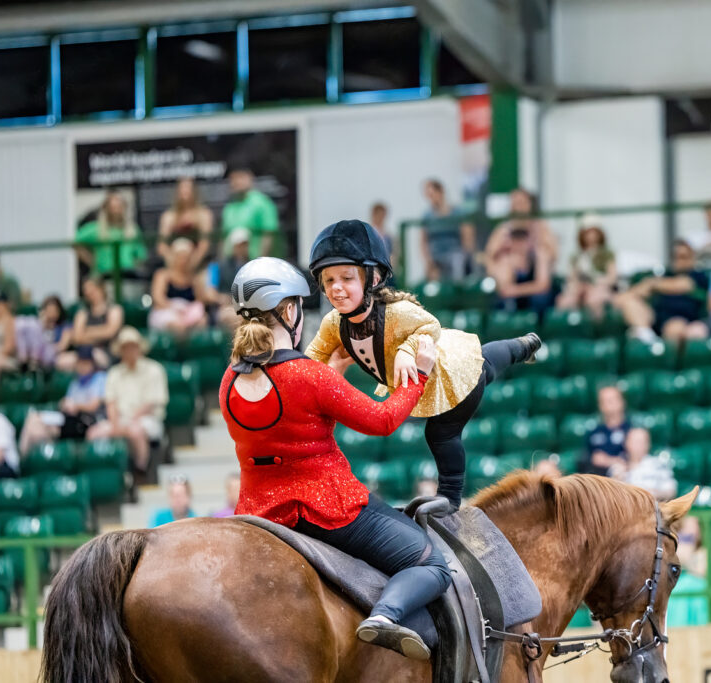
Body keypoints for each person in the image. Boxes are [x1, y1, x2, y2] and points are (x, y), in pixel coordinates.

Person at [222, 256, 450, 660]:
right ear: (290, 310)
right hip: (325, 510)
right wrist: (420, 372)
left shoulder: (230, 380)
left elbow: (285, 427)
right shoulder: (308, 374)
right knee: (432, 564)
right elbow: (382, 421)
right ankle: (385, 616)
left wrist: (332, 378)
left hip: (259, 515)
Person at [306, 220, 541, 509]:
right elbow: (311, 357)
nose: (337, 288)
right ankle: (523, 346)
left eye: (347, 278)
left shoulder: (397, 312)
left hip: (448, 374)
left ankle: (451, 499)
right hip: (434, 374)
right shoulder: (332, 323)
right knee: (488, 362)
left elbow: (431, 325)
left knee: (442, 430)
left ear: (373, 279)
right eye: (329, 281)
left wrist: (406, 350)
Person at [86, 327, 168, 472]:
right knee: (94, 433)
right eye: (126, 348)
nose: (129, 351)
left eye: (132, 347)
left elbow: (150, 404)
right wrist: (115, 424)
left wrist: (128, 422)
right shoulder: (114, 373)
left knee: (135, 430)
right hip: (119, 419)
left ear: (139, 348)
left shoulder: (154, 369)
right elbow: (110, 403)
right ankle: (107, 471)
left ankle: (142, 469)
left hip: (147, 419)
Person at [613, 240, 710, 344]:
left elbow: (683, 284)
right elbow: (621, 299)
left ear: (691, 258)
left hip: (684, 320)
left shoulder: (698, 275)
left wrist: (652, 284)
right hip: (656, 320)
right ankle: (648, 337)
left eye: (683, 257)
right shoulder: (665, 275)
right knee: (630, 303)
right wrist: (639, 290)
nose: (678, 261)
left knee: (676, 328)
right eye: (675, 257)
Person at [18, 346, 107, 455]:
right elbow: (67, 402)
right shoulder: (75, 382)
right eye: (81, 362)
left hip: (85, 422)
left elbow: (94, 405)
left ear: (92, 364)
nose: (83, 366)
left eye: (86, 363)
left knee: (37, 423)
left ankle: (21, 458)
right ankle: (29, 459)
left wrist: (76, 406)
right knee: (34, 422)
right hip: (68, 420)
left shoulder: (99, 378)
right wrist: (64, 403)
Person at [484, 216, 556, 316]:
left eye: (522, 238)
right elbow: (504, 289)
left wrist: (516, 290)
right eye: (515, 238)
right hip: (515, 303)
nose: (519, 243)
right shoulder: (506, 258)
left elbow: (544, 285)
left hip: (534, 304)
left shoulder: (539, 254)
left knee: (540, 299)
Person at [148, 238, 215, 335]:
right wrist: (175, 308)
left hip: (188, 313)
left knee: (202, 321)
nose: (184, 260)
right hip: (166, 312)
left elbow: (200, 300)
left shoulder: (194, 279)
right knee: (177, 326)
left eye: (186, 257)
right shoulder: (163, 275)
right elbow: (158, 298)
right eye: (181, 257)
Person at [555, 215, 617, 319]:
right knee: (565, 301)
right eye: (587, 232)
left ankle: (596, 330)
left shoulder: (607, 254)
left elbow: (612, 277)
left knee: (594, 299)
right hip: (580, 287)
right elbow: (571, 278)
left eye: (594, 232)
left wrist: (596, 283)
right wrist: (577, 287)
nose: (591, 236)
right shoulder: (576, 257)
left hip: (599, 287)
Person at [75, 191, 148, 277]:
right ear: (106, 209)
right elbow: (76, 242)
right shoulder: (95, 229)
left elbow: (141, 255)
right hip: (105, 274)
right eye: (113, 208)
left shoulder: (133, 230)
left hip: (127, 275)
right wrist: (92, 262)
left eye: (119, 207)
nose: (116, 211)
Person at [57, 278, 124, 370]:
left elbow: (110, 332)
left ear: (101, 288)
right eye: (86, 290)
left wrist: (86, 331)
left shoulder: (114, 310)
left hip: (106, 353)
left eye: (92, 290)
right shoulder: (82, 313)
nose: (89, 293)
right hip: (83, 352)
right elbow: (77, 337)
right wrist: (100, 332)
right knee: (60, 361)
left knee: (96, 356)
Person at [419, 178, 476, 282]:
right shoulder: (427, 216)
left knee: (457, 264)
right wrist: (428, 260)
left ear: (441, 192)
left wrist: (466, 257)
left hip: (455, 255)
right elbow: (423, 241)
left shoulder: (458, 213)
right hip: (436, 257)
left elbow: (468, 237)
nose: (431, 198)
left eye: (432, 194)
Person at [221, 168, 279, 259]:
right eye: (233, 178)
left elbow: (268, 234)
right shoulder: (229, 207)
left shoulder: (262, 203)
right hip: (231, 264)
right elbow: (224, 238)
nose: (236, 182)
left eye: (240, 177)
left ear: (249, 178)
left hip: (254, 262)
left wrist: (260, 262)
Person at [157, 178, 214, 266]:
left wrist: (192, 263)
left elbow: (205, 244)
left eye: (188, 188)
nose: (185, 191)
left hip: (197, 264)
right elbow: (162, 246)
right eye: (183, 188)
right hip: (174, 264)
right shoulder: (168, 216)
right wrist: (175, 263)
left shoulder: (204, 214)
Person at [608, 428, 676, 501]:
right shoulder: (617, 467)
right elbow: (610, 497)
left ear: (648, 444)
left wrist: (654, 494)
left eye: (642, 442)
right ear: (626, 443)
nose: (638, 446)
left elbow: (671, 492)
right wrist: (617, 479)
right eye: (634, 441)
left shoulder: (658, 465)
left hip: (653, 508)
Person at [579, 385, 630, 477]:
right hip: (599, 480)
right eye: (603, 401)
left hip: (626, 479)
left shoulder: (631, 431)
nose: (608, 404)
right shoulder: (594, 433)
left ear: (622, 402)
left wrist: (608, 461)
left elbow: (637, 460)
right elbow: (586, 459)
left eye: (611, 400)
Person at [16, 295, 72, 370]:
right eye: (49, 310)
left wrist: (47, 349)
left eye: (54, 310)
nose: (51, 314)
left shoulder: (65, 326)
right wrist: (42, 323)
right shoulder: (38, 325)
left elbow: (62, 346)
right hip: (34, 355)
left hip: (53, 356)